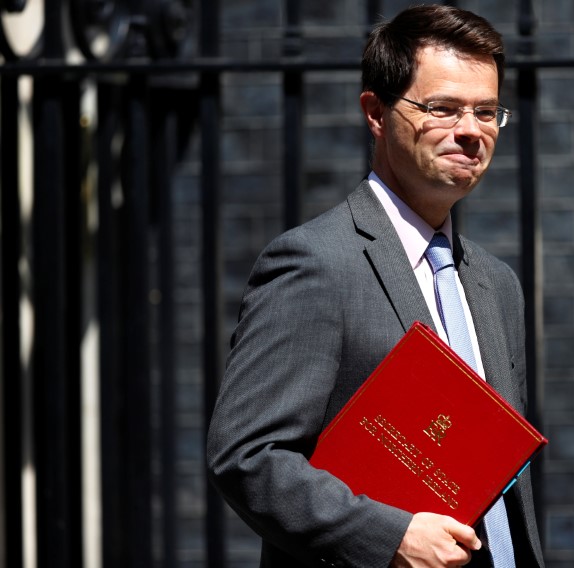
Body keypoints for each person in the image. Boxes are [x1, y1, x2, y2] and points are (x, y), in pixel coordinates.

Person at [207, 5, 544, 567]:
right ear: (376, 113)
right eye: (442, 108)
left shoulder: (496, 284)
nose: (470, 132)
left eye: (487, 112)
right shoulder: (316, 264)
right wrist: (390, 537)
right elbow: (247, 456)